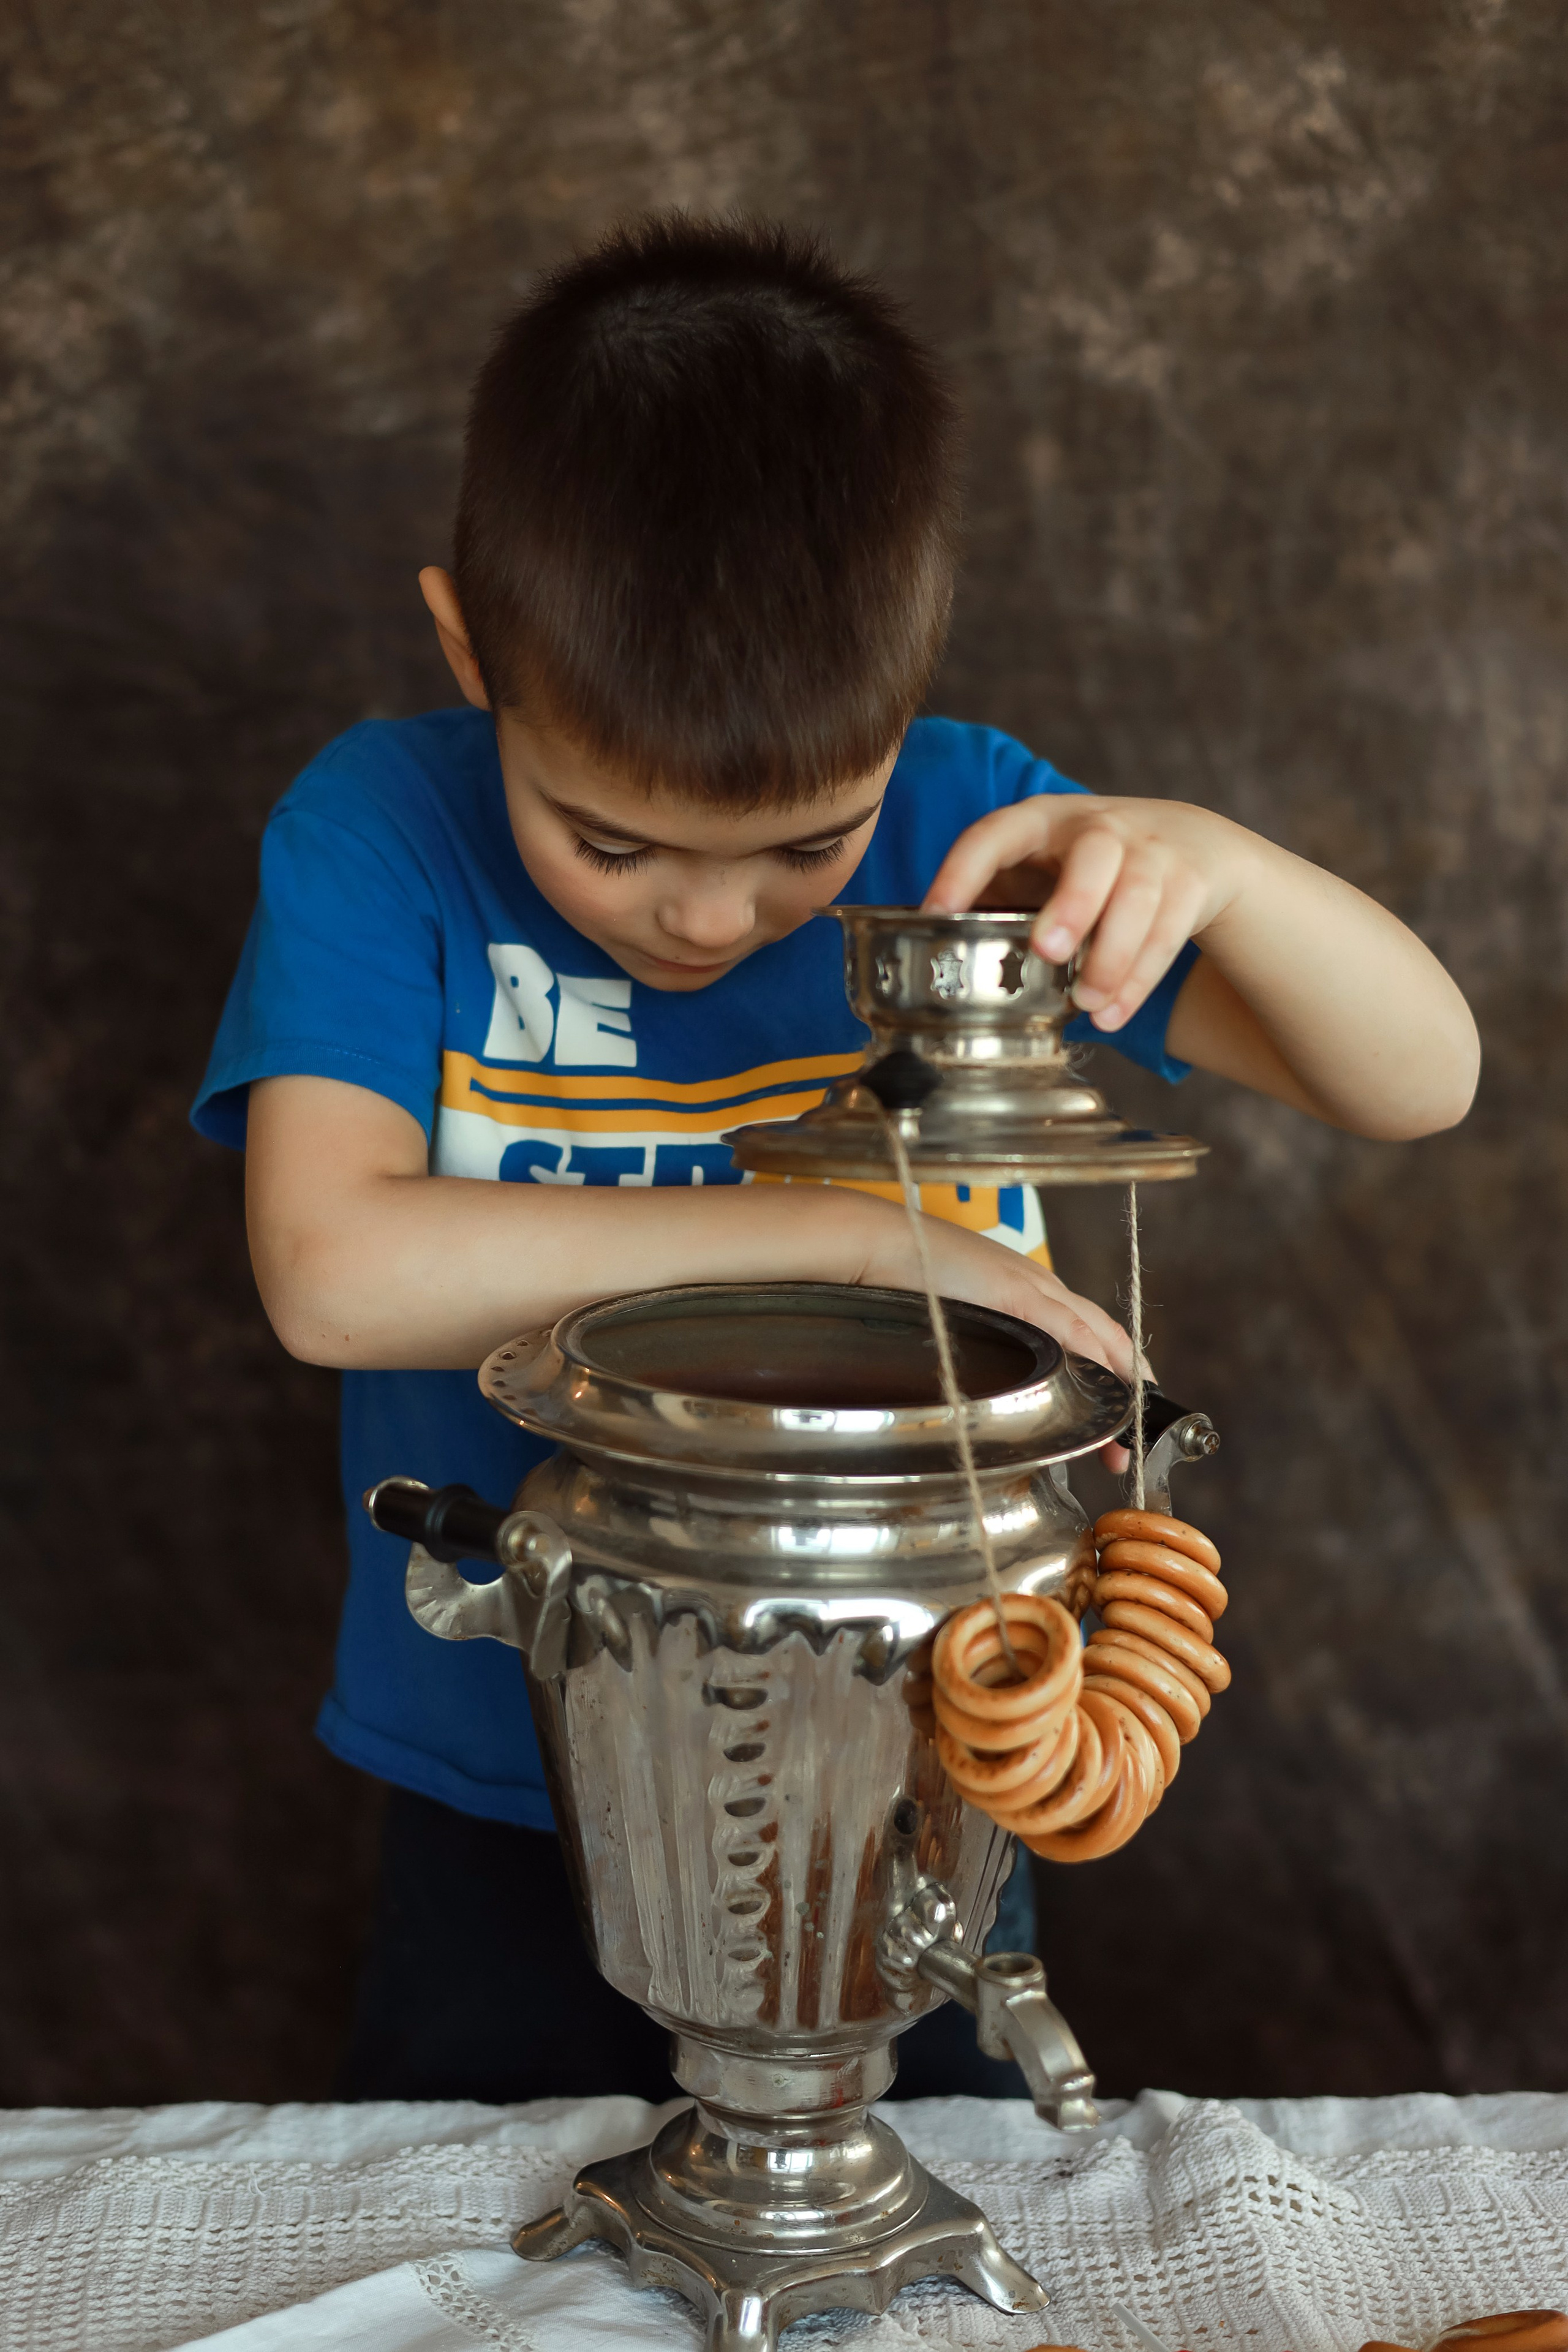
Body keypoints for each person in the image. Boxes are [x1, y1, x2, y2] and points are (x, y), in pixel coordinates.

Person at [192, 214, 1479, 2105]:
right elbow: (331, 1270)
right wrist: (874, 1245)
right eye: (610, 845)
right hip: (507, 1763)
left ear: (902, 712)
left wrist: (1224, 861)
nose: (709, 915)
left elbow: (1421, 1079)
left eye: (807, 845)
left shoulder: (973, 830)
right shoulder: (383, 833)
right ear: (474, 645)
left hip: (927, 1757)